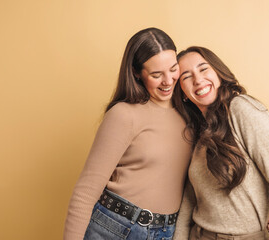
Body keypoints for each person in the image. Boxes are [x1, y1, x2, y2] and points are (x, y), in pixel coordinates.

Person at [63, 28, 193, 240]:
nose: (168, 81)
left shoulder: (189, 114)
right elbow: (85, 193)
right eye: (156, 74)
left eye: (173, 69)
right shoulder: (124, 114)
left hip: (166, 232)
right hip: (115, 228)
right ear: (136, 73)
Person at [172, 46, 269, 240]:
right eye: (187, 76)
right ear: (182, 92)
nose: (198, 80)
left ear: (218, 73)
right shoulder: (198, 130)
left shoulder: (242, 109)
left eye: (203, 69)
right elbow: (190, 199)